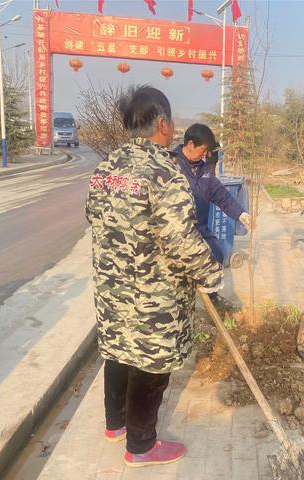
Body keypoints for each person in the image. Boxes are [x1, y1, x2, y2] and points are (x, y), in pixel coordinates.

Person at [85, 86, 224, 468]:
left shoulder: (106, 168)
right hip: (154, 293)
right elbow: (181, 240)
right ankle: (142, 445)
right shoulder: (164, 172)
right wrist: (211, 275)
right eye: (171, 118)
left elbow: (93, 220)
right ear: (162, 122)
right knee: (150, 359)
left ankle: (115, 425)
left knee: (118, 349)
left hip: (112, 289)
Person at [173, 124, 251, 306]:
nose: (205, 155)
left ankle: (213, 298)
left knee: (217, 254)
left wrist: (241, 214)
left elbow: (221, 195)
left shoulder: (205, 170)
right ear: (191, 144)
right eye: (203, 150)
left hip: (200, 227)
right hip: (178, 231)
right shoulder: (171, 165)